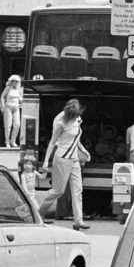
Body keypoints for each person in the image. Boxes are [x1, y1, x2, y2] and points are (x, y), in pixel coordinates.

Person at [42, 99, 90, 231]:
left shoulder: (78, 119)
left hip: (74, 159)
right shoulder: (60, 123)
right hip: (62, 158)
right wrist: (46, 161)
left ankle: (78, 220)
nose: (75, 117)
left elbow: (76, 138)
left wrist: (83, 150)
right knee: (58, 191)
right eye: (73, 115)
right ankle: (39, 213)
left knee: (77, 190)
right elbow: (52, 142)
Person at [0, 75, 25, 148]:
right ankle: (7, 142)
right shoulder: (8, 88)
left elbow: (20, 98)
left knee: (17, 125)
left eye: (16, 81)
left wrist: (21, 101)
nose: (14, 82)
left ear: (18, 82)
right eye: (12, 81)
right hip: (8, 107)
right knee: (8, 126)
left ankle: (13, 141)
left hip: (16, 107)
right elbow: (2, 97)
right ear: (10, 81)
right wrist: (3, 107)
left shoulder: (18, 89)